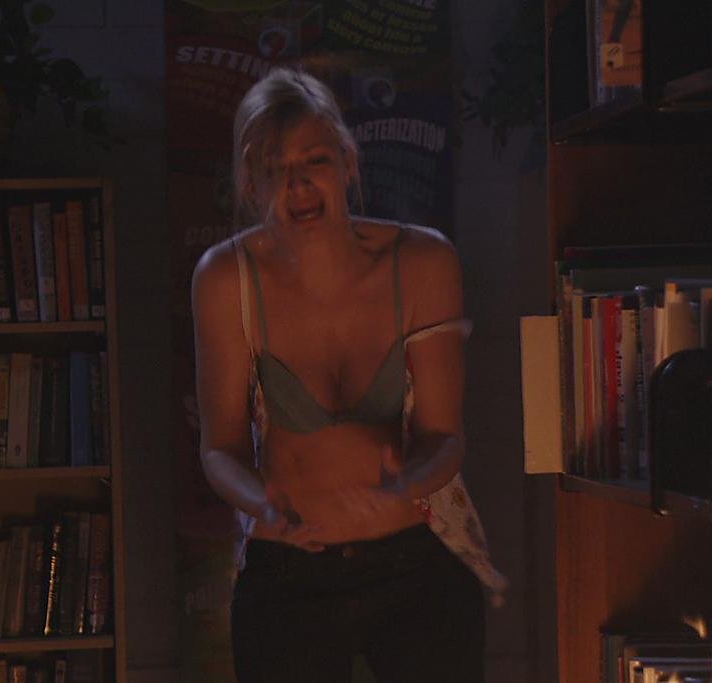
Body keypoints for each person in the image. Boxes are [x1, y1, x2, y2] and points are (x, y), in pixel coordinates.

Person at [191, 67, 504, 682]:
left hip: (416, 562)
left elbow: (446, 436)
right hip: (289, 573)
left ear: (348, 161)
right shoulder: (226, 278)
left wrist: (406, 483)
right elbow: (219, 449)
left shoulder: (422, 260)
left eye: (315, 160)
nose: (299, 184)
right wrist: (261, 503)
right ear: (250, 183)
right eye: (275, 168)